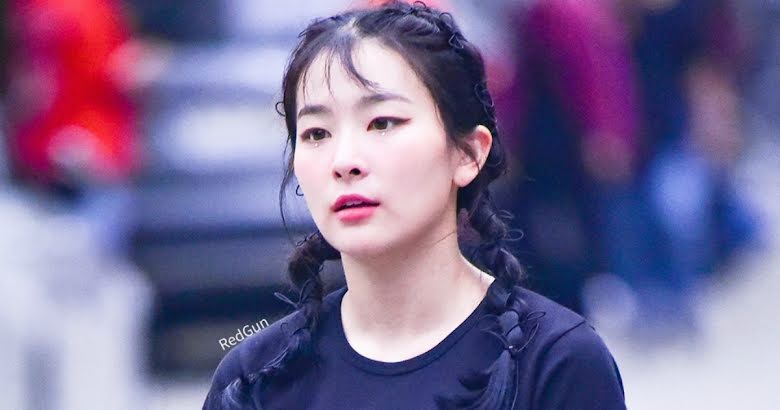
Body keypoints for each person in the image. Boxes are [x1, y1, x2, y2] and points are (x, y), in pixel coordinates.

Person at [203, 2, 625, 409]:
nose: (344, 160)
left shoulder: (555, 362)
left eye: (382, 123)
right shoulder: (255, 378)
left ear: (468, 153)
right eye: (316, 133)